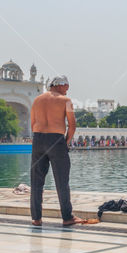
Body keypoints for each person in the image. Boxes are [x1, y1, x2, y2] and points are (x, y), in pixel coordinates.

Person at [29, 75, 84, 226]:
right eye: (66, 85)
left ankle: (36, 218)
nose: (67, 89)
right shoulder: (65, 101)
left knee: (36, 180)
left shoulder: (37, 100)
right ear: (59, 85)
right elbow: (72, 125)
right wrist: (65, 142)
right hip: (56, 140)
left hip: (38, 139)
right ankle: (67, 217)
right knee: (62, 180)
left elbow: (33, 123)